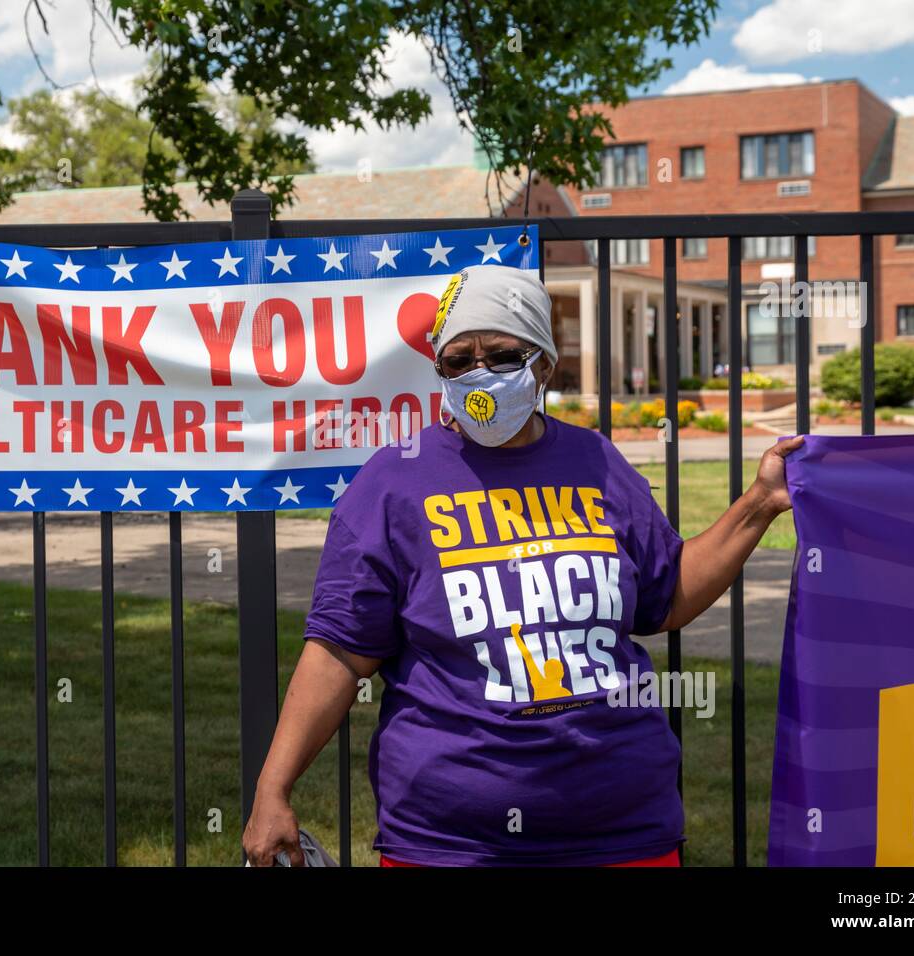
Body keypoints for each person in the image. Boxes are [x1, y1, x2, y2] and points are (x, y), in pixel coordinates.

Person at [242, 265, 802, 867]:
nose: (479, 372)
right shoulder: (393, 482)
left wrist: (760, 504)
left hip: (620, 829)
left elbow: (666, 598)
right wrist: (273, 790)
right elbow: (339, 650)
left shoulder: (598, 462)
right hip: (450, 841)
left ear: (543, 365)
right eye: (459, 359)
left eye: (502, 354)